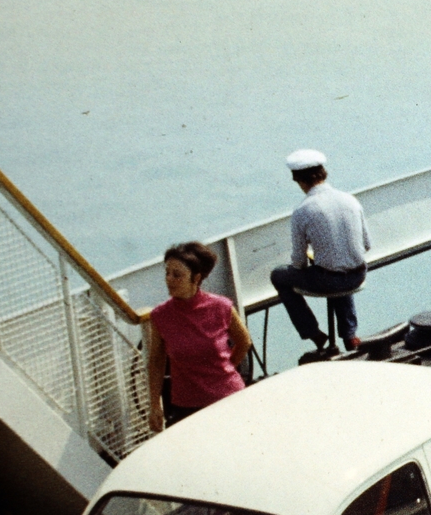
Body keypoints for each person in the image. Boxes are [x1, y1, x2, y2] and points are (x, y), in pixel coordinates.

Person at [270, 149, 370, 356]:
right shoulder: (350, 200)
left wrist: (313, 260)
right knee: (338, 265)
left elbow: (298, 261)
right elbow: (366, 244)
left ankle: (313, 333)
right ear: (324, 174)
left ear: (298, 180)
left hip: (329, 280)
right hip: (359, 275)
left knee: (279, 276)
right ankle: (350, 335)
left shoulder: (303, 210)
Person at [145, 241, 250, 431]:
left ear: (196, 278)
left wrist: (226, 370)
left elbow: (244, 342)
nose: (169, 279)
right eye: (167, 273)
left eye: (177, 275)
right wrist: (154, 405)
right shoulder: (160, 316)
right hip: (186, 406)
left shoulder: (221, 306)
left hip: (228, 398)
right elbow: (156, 362)